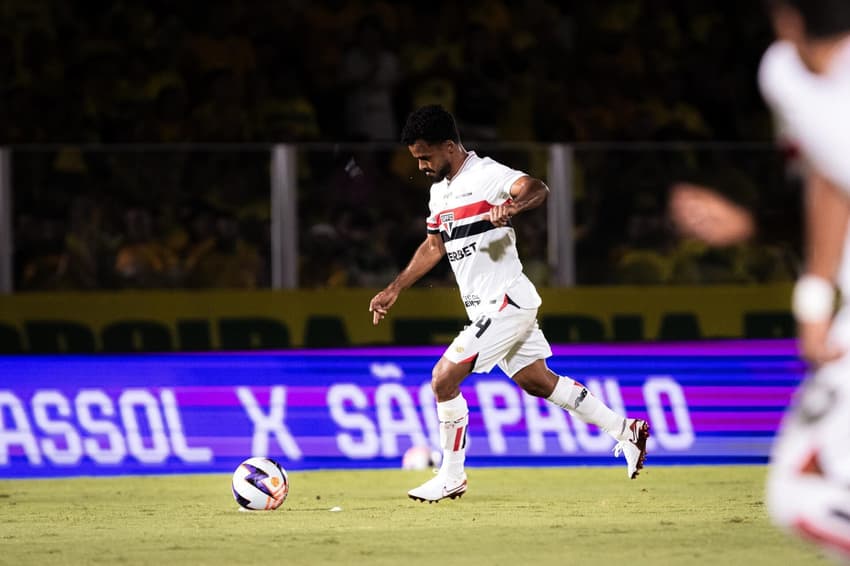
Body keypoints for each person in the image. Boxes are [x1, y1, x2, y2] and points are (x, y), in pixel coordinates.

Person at [368, 105, 650, 502]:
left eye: (426, 156)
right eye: (417, 159)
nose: (422, 166)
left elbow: (537, 187)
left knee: (443, 379)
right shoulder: (438, 193)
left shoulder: (486, 175)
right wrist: (394, 288)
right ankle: (626, 430)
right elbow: (434, 246)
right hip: (491, 306)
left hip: (505, 302)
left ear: (449, 146)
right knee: (537, 381)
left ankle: (451, 475)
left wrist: (513, 207)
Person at [758, 0, 850, 558]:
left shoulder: (782, 73)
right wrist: (816, 299)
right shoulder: (786, 76)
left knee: (800, 494)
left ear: (786, 18)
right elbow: (829, 176)